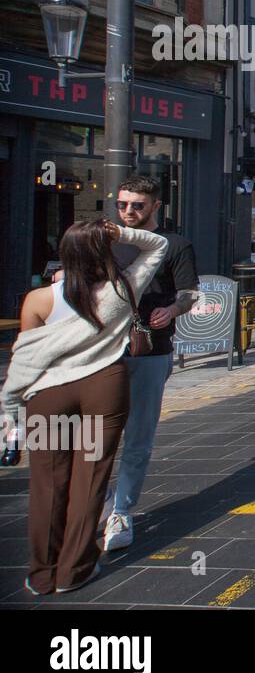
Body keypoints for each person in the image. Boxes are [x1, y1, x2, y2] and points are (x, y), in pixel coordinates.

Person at [3, 219, 169, 595]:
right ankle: (74, 570)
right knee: (88, 480)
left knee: (47, 482)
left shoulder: (39, 300)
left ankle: (43, 573)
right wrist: (120, 232)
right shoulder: (122, 288)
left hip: (48, 397)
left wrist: (10, 407)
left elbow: (26, 356)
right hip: (101, 391)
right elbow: (157, 245)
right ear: (104, 251)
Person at [101, 175, 199, 552]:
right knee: (89, 432)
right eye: (123, 204)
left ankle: (122, 511)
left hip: (148, 349)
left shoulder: (175, 245)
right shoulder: (106, 241)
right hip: (101, 350)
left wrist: (173, 309)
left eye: (137, 205)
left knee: (138, 435)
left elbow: (190, 293)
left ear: (156, 206)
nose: (128, 211)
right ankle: (101, 497)